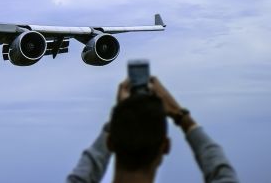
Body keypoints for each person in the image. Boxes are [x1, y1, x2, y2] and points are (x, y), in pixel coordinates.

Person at [67, 76, 238, 183]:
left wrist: (118, 116)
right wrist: (181, 116)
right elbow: (222, 172)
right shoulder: (169, 136)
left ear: (110, 142)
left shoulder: (109, 140)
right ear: (166, 146)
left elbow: (83, 174)